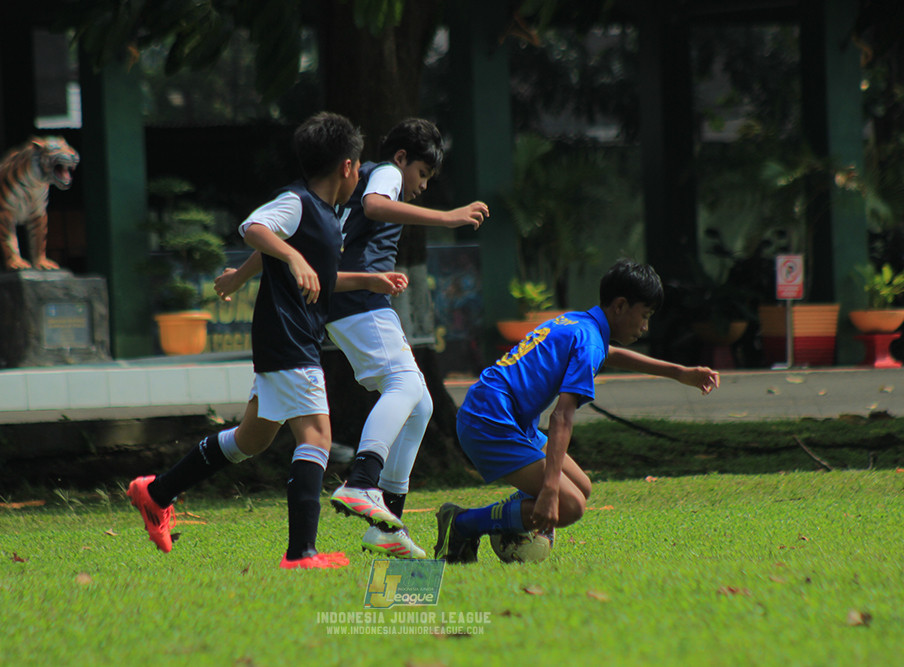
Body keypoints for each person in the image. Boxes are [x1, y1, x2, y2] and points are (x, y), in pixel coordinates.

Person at [127, 112, 408, 570]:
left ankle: (154, 492)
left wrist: (367, 281)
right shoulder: (297, 202)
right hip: (289, 339)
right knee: (317, 437)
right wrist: (293, 258)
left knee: (249, 440)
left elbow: (316, 275)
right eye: (359, 167)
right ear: (348, 167)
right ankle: (301, 554)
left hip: (289, 340)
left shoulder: (326, 216)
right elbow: (255, 227)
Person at [215, 118, 490, 559]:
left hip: (346, 295)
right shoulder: (383, 172)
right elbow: (379, 205)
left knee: (420, 402)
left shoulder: (340, 192)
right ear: (401, 159)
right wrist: (448, 218)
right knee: (405, 386)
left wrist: (241, 275)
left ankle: (387, 521)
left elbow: (287, 237)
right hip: (358, 296)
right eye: (421, 174)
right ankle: (362, 481)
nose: (420, 187)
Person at [434, 259, 720, 563]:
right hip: (490, 422)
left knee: (582, 487)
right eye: (645, 315)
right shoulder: (589, 342)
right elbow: (562, 417)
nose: (646, 326)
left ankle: (507, 522)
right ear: (621, 306)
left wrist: (678, 372)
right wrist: (548, 491)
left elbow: (609, 353)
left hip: (500, 414)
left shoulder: (578, 323)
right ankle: (463, 523)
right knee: (570, 505)